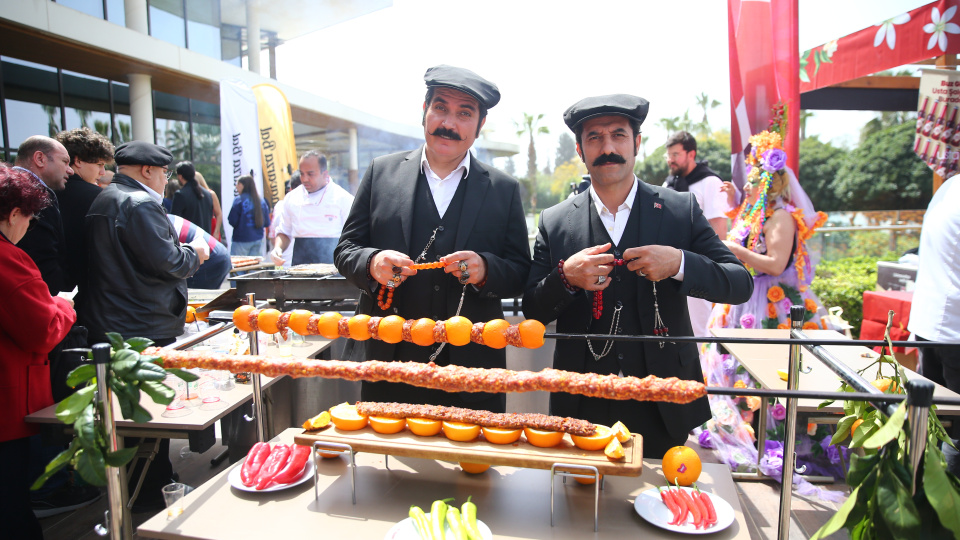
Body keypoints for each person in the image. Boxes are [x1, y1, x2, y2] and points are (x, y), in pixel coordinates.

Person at [521, 94, 753, 457]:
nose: (608, 147)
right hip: (584, 397)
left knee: (666, 504)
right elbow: (531, 309)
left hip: (663, 397)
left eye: (618, 135)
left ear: (638, 143)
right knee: (581, 504)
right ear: (581, 150)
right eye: (594, 137)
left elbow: (739, 282)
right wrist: (565, 277)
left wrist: (679, 263)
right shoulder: (555, 221)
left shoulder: (680, 209)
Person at [335, 65, 531, 412]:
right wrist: (372, 262)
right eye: (440, 108)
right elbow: (346, 249)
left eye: (464, 113)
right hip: (390, 366)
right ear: (424, 111)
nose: (449, 123)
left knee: (471, 464)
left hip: (473, 371)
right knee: (388, 464)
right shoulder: (381, 172)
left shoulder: (504, 189)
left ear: (480, 125)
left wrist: (486, 269)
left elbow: (520, 270)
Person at [699, 130, 839, 480]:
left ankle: (773, 441)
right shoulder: (758, 211)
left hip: (771, 304)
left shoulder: (782, 217)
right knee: (739, 371)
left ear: (771, 181)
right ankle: (748, 433)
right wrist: (734, 206)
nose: (749, 185)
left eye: (754, 179)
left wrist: (734, 251)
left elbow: (775, 264)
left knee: (771, 375)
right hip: (747, 301)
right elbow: (748, 232)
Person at [82, 141, 210, 512]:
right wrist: (195, 254)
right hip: (141, 323)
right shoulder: (139, 204)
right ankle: (151, 491)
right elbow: (167, 261)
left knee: (129, 413)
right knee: (147, 413)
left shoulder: (105, 199)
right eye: (164, 174)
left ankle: (144, 484)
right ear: (147, 171)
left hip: (116, 319)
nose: (165, 181)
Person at [0, 166, 77, 539]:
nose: (28, 226)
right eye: (28, 216)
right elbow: (43, 331)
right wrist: (63, 305)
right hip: (7, 401)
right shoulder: (8, 260)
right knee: (12, 505)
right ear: (14, 214)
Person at [908, 171, 960, 477]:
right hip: (953, 329)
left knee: (933, 422)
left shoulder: (950, 187)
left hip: (932, 323)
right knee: (953, 430)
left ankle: (925, 502)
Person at [662, 131, 731, 337]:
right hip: (668, 267)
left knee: (699, 329)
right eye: (668, 155)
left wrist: (710, 270)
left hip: (697, 266)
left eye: (675, 154)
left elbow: (718, 228)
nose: (670, 160)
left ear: (691, 154)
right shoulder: (668, 185)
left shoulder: (710, 182)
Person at [54, 127, 115, 306]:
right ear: (78, 161)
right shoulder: (99, 197)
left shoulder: (45, 192)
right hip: (89, 295)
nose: (102, 172)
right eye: (99, 165)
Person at [13, 136, 74, 295]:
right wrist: (57, 300)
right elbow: (43, 259)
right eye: (65, 162)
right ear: (40, 158)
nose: (70, 170)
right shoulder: (35, 193)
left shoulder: (10, 186)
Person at [273, 150, 353, 266]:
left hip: (335, 263)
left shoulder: (343, 198)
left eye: (310, 174)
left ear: (325, 174)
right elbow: (284, 232)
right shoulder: (291, 198)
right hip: (299, 264)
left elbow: (352, 237)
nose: (304, 179)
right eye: (302, 173)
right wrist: (278, 249)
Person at [168, 214, 230, 290]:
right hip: (219, 254)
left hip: (212, 257)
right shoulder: (164, 219)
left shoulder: (159, 224)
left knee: (194, 297)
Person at [228, 174, 270, 256]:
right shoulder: (261, 201)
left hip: (241, 240)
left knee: (239, 267)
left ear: (243, 185)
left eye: (238, 184)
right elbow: (266, 223)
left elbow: (232, 220)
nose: (236, 187)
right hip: (258, 239)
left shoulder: (238, 200)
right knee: (254, 267)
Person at [170, 161, 214, 235]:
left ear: (180, 176)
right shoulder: (208, 194)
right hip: (206, 240)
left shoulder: (180, 195)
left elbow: (174, 222)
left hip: (189, 241)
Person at [195, 171, 223, 241]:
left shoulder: (211, 194)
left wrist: (216, 231)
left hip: (211, 225)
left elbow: (219, 214)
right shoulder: (192, 195)